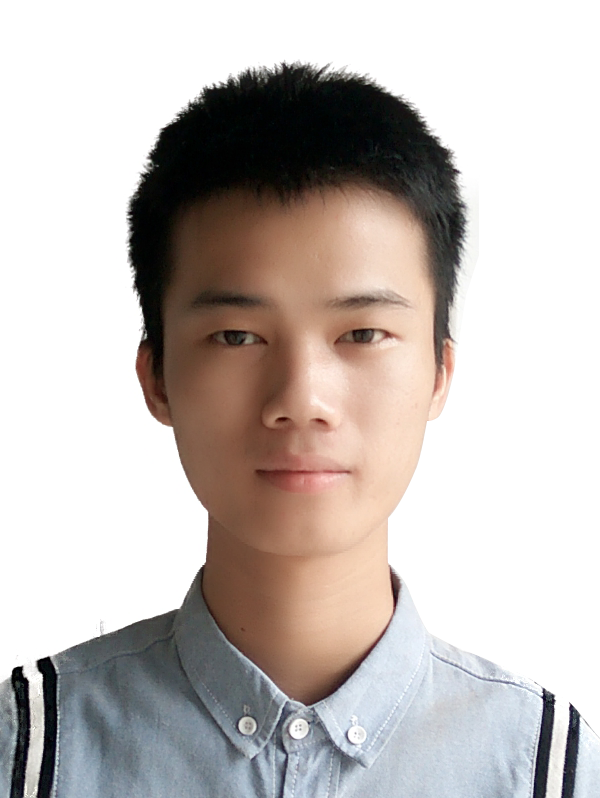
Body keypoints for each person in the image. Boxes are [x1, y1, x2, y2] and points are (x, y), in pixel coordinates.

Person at [1, 60, 598, 798]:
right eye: (236, 336)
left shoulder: (548, 769)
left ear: (440, 372)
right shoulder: (31, 752)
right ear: (156, 377)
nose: (301, 398)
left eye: (363, 333)